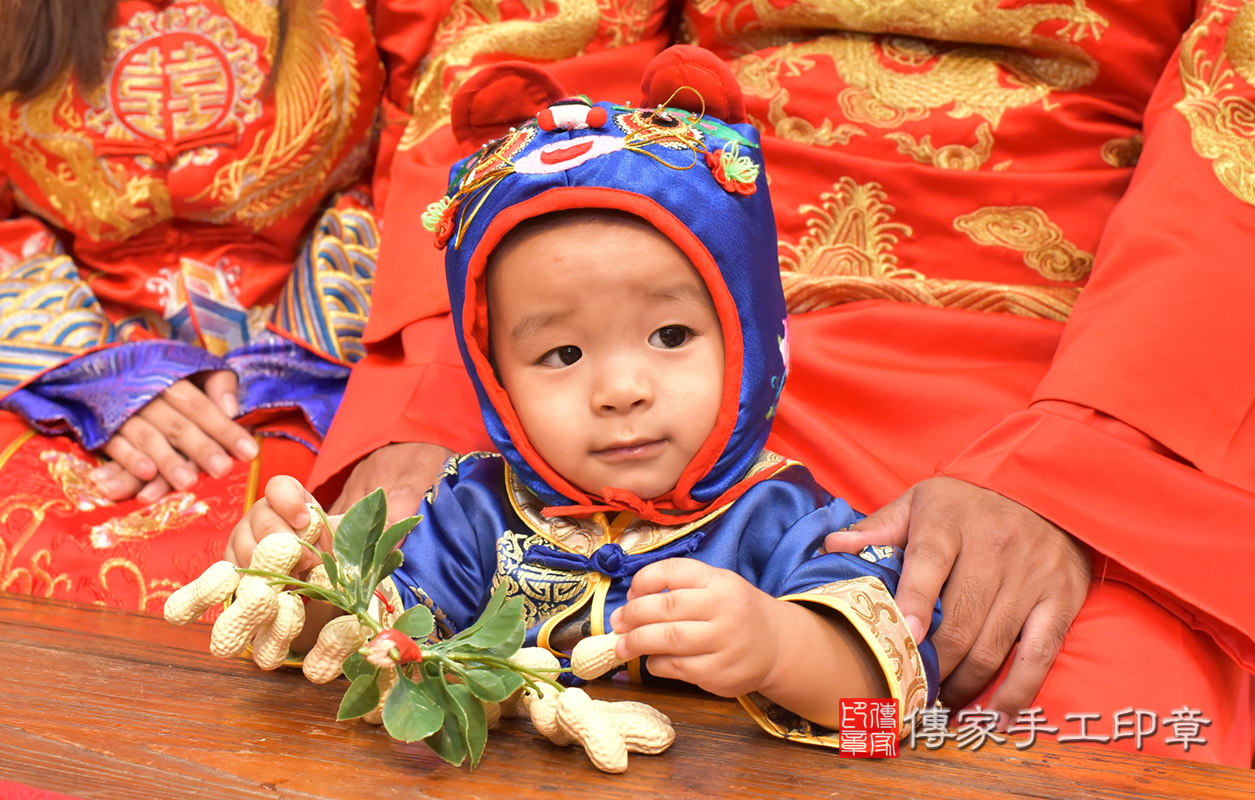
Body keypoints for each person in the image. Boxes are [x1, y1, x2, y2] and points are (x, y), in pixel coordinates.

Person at [307, 2, 1255, 767]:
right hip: (670, 314)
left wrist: (1082, 459)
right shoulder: (609, 384)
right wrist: (449, 391)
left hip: (1071, 352)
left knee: (1086, 723)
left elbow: (1233, 122)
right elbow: (536, 64)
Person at [229, 51, 942, 744]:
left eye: (669, 335)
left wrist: (783, 649)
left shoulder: (786, 518)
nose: (621, 391)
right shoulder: (474, 514)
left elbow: (893, 710)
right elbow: (380, 643)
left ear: (749, 339)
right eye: (562, 354)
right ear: (495, 378)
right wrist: (315, 585)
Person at [0, 0, 457, 612]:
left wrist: (420, 405)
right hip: (45, 360)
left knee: (310, 580)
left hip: (346, 348)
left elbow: (456, 143)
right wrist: (87, 360)